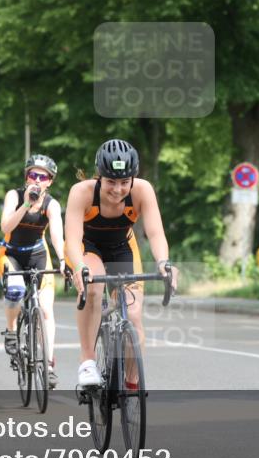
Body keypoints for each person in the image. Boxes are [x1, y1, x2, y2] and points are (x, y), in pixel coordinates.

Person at [65, 139, 179, 388]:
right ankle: (87, 362)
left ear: (133, 178)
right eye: (111, 182)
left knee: (134, 315)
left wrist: (164, 263)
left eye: (124, 182)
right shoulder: (81, 192)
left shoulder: (143, 190)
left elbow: (156, 233)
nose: (117, 189)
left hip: (122, 249)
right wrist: (78, 267)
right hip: (88, 248)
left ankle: (131, 385)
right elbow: (72, 239)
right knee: (93, 287)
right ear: (99, 177)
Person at [0, 154, 66, 389]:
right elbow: (6, 226)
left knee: (46, 309)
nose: (36, 180)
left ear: (50, 181)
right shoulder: (14, 196)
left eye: (42, 176)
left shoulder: (52, 205)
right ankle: (11, 330)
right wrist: (26, 204)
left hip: (38, 254)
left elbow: (56, 234)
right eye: (32, 175)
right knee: (15, 290)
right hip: (12, 254)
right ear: (26, 177)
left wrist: (63, 259)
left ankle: (48, 364)